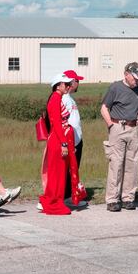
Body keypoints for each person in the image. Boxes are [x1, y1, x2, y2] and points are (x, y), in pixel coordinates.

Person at [101, 62, 138, 212]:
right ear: (126, 74)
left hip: (133, 129)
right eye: (135, 78)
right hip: (117, 127)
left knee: (133, 164)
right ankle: (113, 199)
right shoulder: (115, 87)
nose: (137, 81)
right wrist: (110, 125)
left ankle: (128, 198)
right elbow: (104, 108)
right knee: (116, 164)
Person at [40, 73, 85, 215]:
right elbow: (57, 124)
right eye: (65, 84)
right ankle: (54, 203)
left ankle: (56, 200)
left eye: (68, 84)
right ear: (58, 85)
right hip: (58, 140)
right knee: (57, 174)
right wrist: (64, 144)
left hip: (62, 139)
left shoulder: (58, 98)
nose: (67, 86)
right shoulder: (55, 98)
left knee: (60, 174)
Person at [62, 69, 87, 207]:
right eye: (77, 80)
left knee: (73, 169)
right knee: (67, 170)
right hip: (70, 142)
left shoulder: (70, 98)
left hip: (76, 141)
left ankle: (70, 196)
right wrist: (66, 143)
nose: (79, 83)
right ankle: (65, 197)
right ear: (71, 82)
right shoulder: (64, 99)